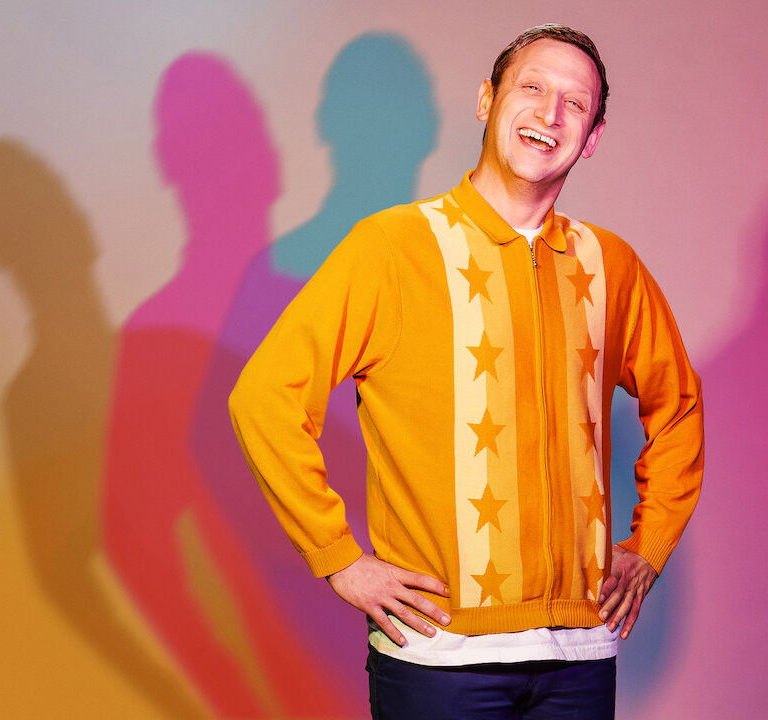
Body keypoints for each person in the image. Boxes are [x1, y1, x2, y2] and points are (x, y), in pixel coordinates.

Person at [228, 23, 704, 719]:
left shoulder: (612, 265)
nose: (550, 114)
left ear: (592, 137)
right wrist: (338, 557)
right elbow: (265, 396)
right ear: (487, 101)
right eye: (532, 87)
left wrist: (651, 545)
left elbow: (679, 405)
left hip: (579, 655)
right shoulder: (391, 247)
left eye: (575, 103)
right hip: (439, 657)